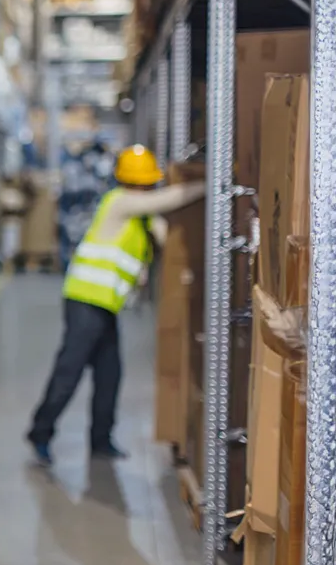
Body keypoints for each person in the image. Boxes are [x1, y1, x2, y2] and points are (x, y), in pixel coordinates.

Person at [25, 145, 205, 466]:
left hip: (104, 306)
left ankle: (101, 439)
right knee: (69, 371)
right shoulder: (119, 202)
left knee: (110, 374)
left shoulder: (141, 216)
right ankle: (40, 432)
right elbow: (170, 200)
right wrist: (209, 184)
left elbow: (166, 236)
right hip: (84, 301)